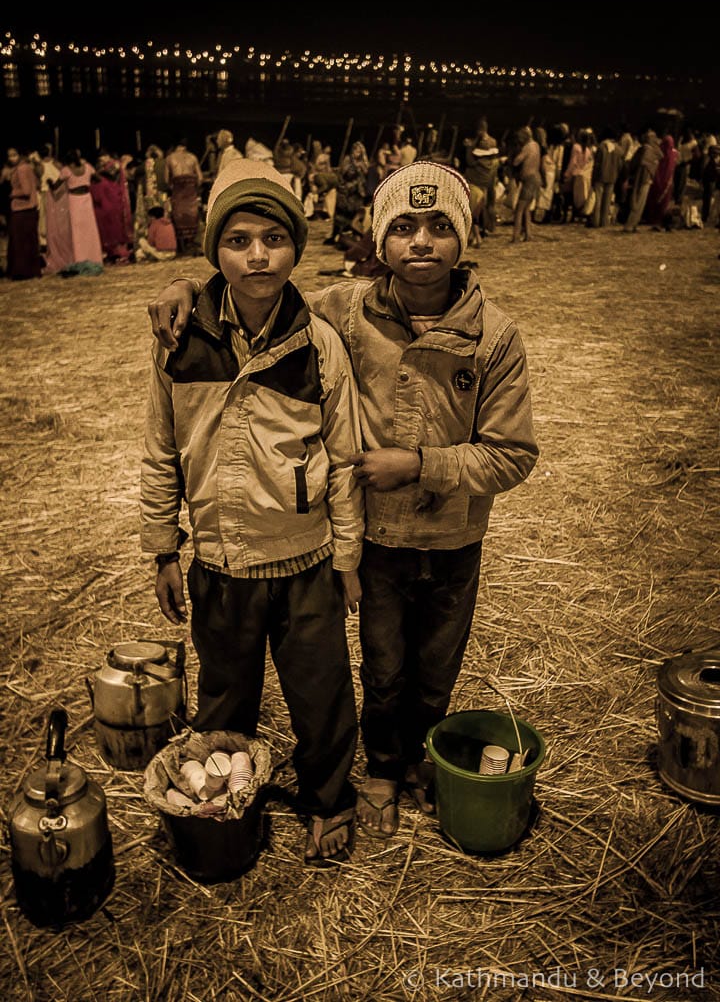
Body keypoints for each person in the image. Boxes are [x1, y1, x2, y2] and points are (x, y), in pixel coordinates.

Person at [147, 160, 539, 840]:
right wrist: (188, 282)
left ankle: (418, 762)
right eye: (404, 228)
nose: (421, 243)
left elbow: (514, 454)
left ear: (466, 237)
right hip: (374, 541)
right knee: (380, 668)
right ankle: (381, 768)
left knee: (434, 668)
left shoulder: (494, 336)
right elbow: (256, 280)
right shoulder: (346, 310)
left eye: (441, 227)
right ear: (379, 241)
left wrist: (420, 465)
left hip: (452, 538)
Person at [140, 159, 364, 867]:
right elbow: (160, 451)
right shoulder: (180, 341)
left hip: (304, 560)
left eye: (274, 237)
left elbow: (346, 458)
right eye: (238, 240)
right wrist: (162, 547)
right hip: (220, 562)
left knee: (322, 693)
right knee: (223, 694)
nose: (258, 255)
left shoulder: (316, 342)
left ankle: (328, 799)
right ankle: (223, 802)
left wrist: (349, 559)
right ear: (215, 251)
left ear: (297, 245)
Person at [52, 148, 103, 267]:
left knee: (77, 230)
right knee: (90, 228)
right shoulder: (88, 167)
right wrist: (87, 181)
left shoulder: (66, 170)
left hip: (74, 200)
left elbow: (55, 186)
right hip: (86, 198)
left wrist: (49, 182)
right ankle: (94, 257)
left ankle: (80, 258)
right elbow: (99, 179)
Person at [0, 147, 44, 279]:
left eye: (14, 155)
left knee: (20, 243)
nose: (11, 158)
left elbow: (25, 190)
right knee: (29, 241)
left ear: (19, 155)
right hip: (28, 209)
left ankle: (22, 272)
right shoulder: (26, 168)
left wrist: (11, 193)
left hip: (22, 209)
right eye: (9, 155)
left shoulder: (21, 169)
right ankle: (31, 270)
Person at [165, 139, 204, 255]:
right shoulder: (192, 157)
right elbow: (200, 178)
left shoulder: (170, 158)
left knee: (179, 216)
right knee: (192, 216)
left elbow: (166, 180)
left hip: (178, 192)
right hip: (191, 192)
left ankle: (183, 246)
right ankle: (192, 243)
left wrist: (176, 187)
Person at [623, 129, 662, 233]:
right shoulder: (647, 150)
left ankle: (633, 224)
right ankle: (630, 225)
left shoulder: (646, 149)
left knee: (639, 202)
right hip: (643, 179)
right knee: (638, 202)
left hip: (643, 179)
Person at [511, 126, 542, 242]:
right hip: (536, 178)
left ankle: (516, 236)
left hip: (529, 179)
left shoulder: (527, 147)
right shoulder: (536, 145)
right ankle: (528, 234)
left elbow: (516, 161)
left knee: (519, 209)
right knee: (526, 209)